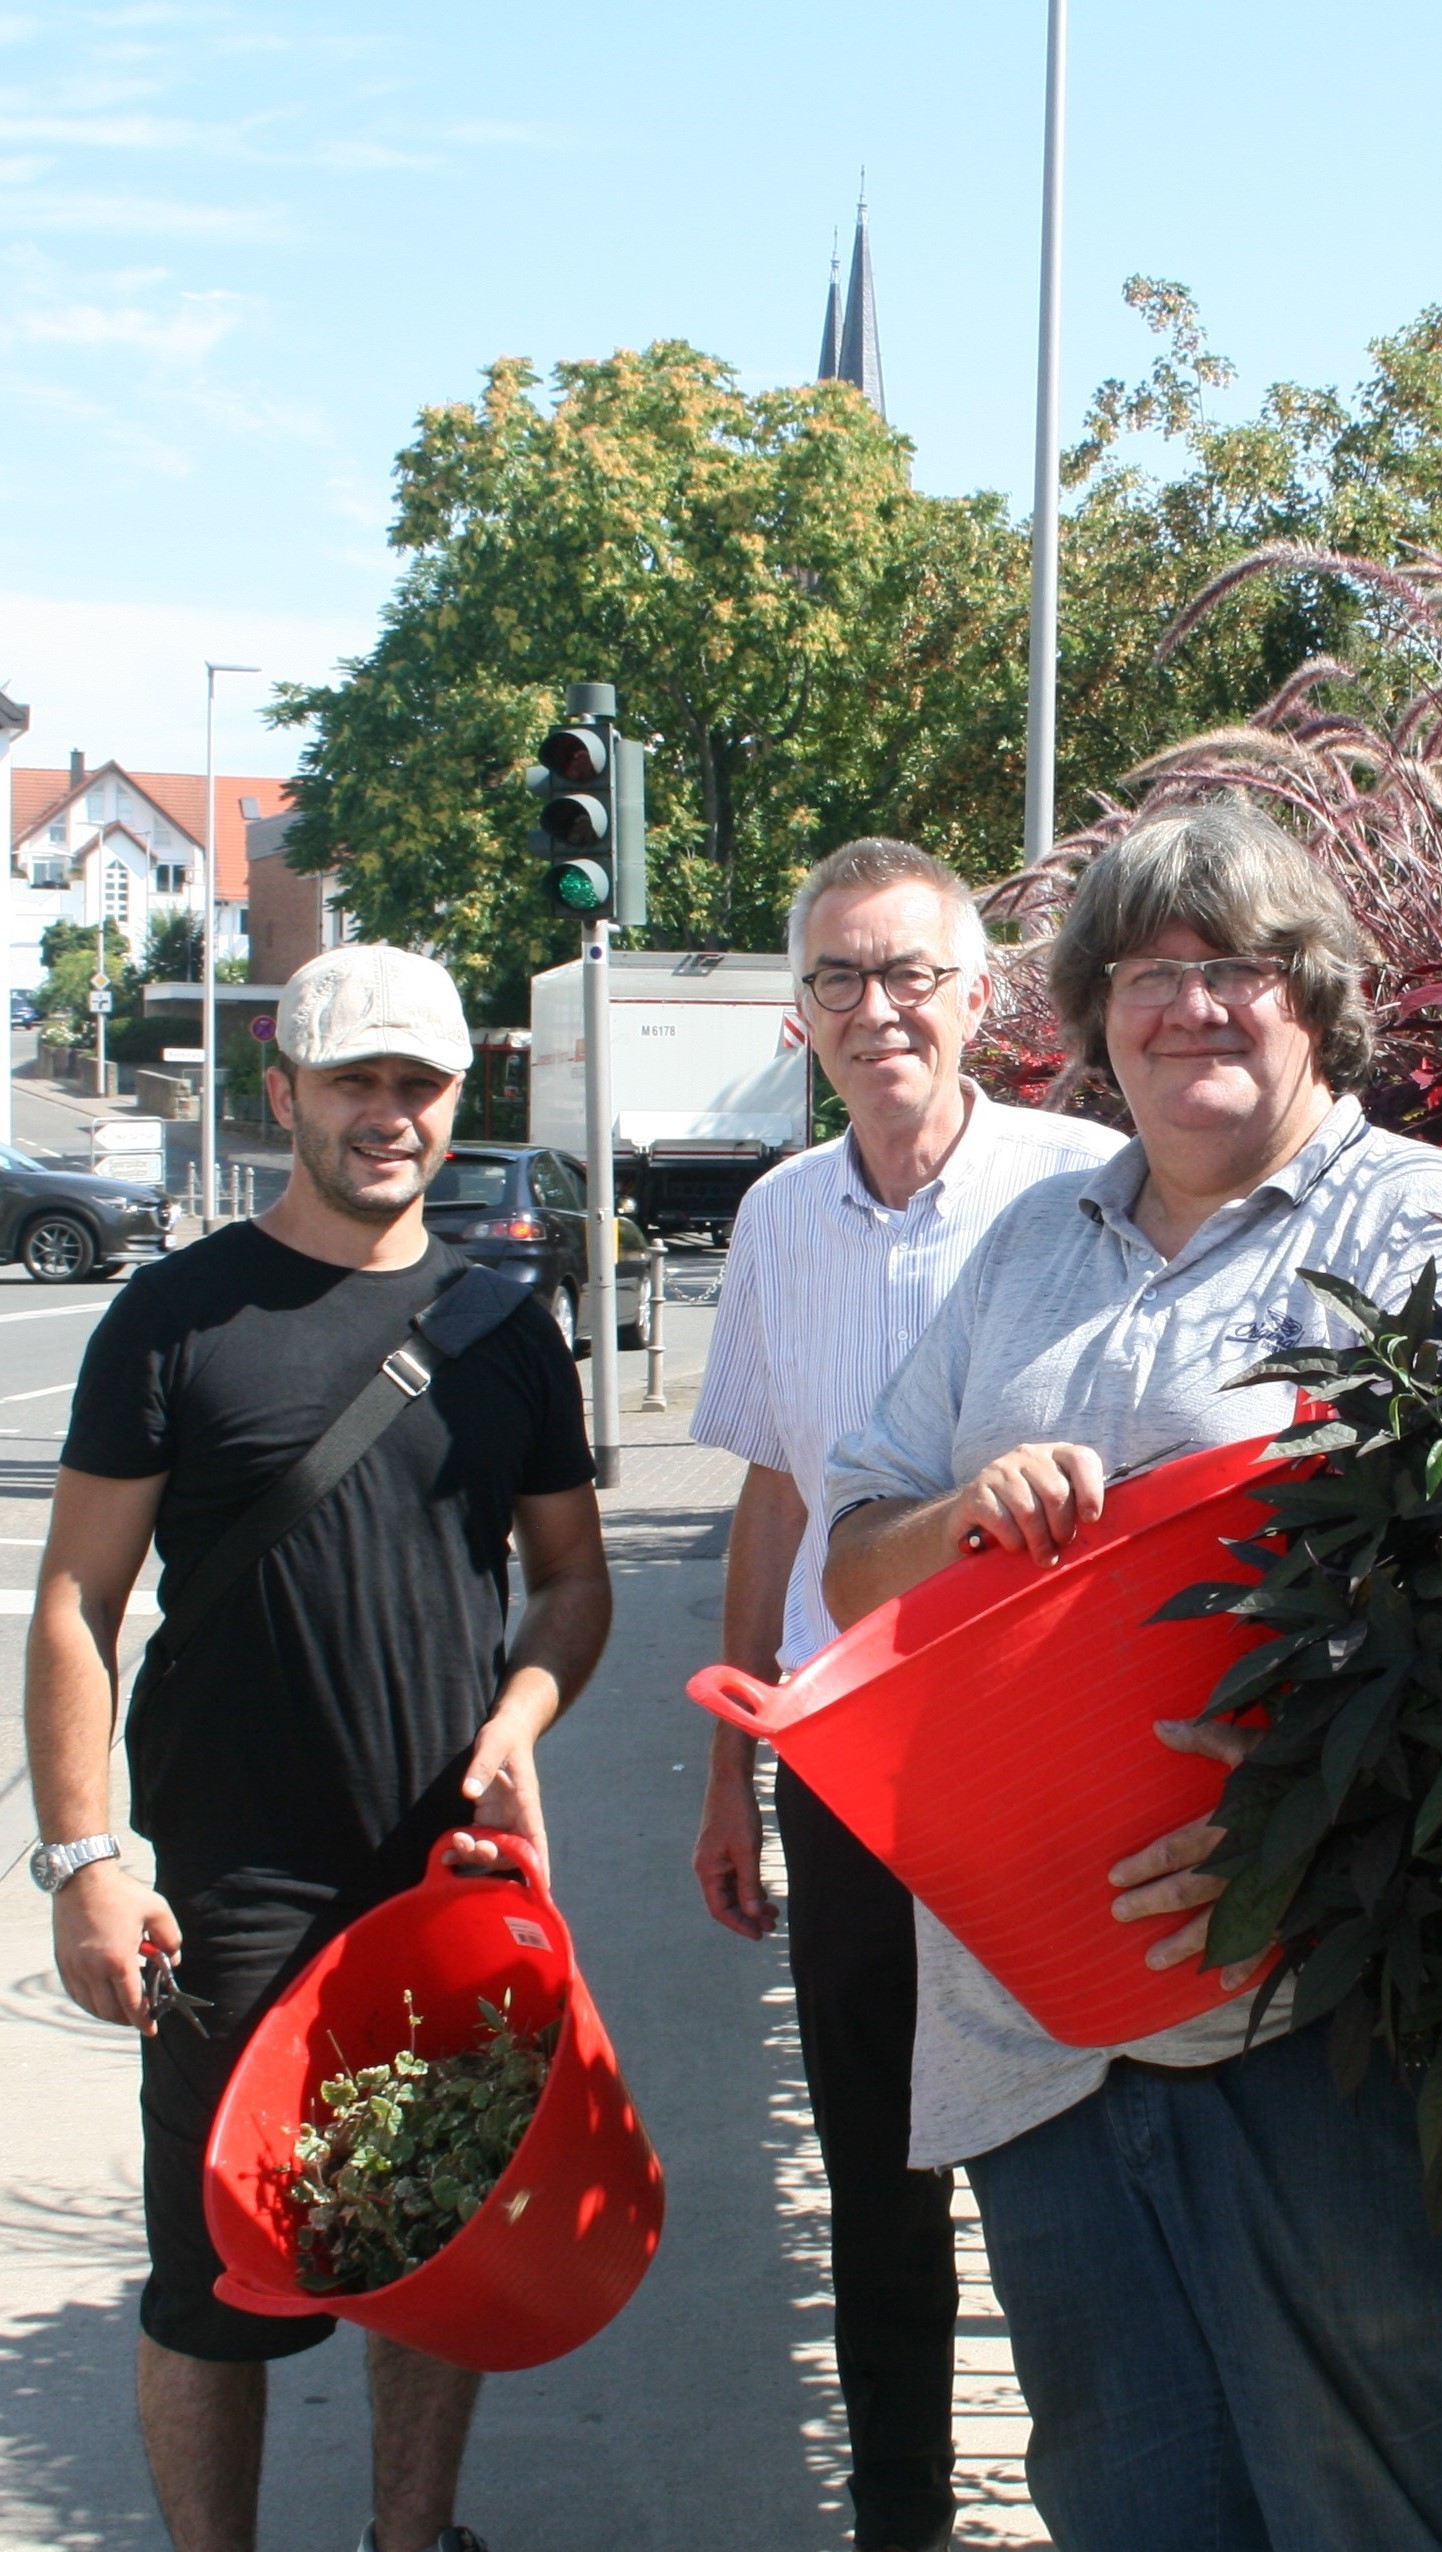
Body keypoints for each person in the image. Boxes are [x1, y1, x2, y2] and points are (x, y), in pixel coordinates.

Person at [821, 803, 1442, 2552]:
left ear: (1316, 999)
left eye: (1240, 969)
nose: (1193, 1006)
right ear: (1094, 1007)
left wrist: (1301, 1815)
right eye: (1151, 973)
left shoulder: (1413, 1217)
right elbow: (852, 1554)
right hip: (1033, 2030)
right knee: (1133, 2507)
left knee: (1378, 2509)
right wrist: (961, 1516)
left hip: (1303, 2013)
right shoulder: (1034, 1239)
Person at [22, 943, 610, 2552]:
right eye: (354, 1080)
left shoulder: (505, 1331)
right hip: (229, 1887)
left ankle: (407, 2547)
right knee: (215, 2285)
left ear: (453, 1100)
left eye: (417, 1084)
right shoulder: (173, 1317)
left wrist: (520, 1713)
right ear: (282, 1091)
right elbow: (75, 1601)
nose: (388, 1115)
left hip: (444, 1877)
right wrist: (86, 1861)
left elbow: (571, 1583)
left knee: (443, 2246)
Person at [688, 835, 1122, 2552]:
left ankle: (1111, 2492)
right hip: (843, 1756)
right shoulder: (779, 1215)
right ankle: (900, 2515)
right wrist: (730, 1772)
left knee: (1058, 2143)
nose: (879, 1012)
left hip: (1031, 1750)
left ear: (982, 998)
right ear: (799, 1016)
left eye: (911, 976)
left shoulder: (1081, 1183)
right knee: (876, 2166)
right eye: (838, 980)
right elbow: (776, 1495)